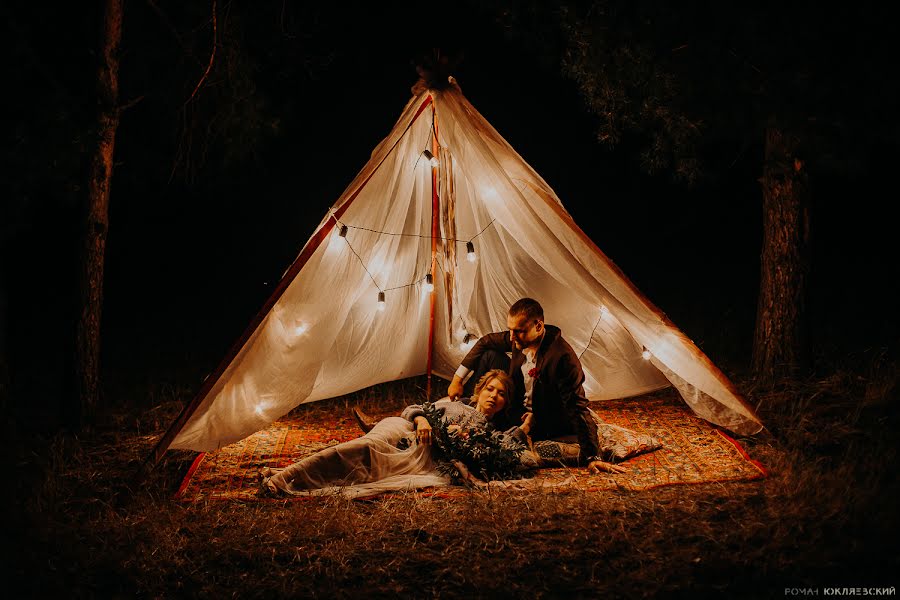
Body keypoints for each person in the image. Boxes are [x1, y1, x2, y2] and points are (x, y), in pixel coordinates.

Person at [258, 370, 534, 497]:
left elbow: (508, 449)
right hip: (404, 427)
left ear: (504, 403)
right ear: (480, 390)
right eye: (490, 389)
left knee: (364, 459)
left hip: (421, 454)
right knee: (367, 444)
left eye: (501, 394)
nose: (493, 396)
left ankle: (284, 478)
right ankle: (283, 477)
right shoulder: (453, 404)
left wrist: (523, 429)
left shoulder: (487, 432)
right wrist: (423, 420)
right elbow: (414, 408)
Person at [447, 297, 626, 475]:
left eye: (519, 331)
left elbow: (577, 407)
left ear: (539, 327)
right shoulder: (518, 338)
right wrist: (457, 379)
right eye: (510, 330)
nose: (512, 337)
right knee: (490, 355)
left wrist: (593, 457)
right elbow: (486, 341)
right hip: (516, 404)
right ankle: (469, 408)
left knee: (502, 449)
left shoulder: (562, 358)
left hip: (544, 417)